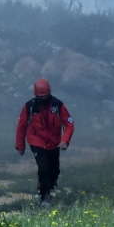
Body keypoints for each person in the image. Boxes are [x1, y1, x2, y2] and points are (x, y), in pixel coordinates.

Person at [15, 78, 74, 208]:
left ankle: (48, 185)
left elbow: (69, 123)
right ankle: (44, 196)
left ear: (49, 94)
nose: (42, 100)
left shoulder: (58, 105)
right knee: (43, 168)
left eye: (45, 97)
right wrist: (20, 145)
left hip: (54, 143)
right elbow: (22, 126)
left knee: (54, 170)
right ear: (35, 95)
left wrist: (65, 140)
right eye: (39, 97)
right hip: (36, 141)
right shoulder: (29, 107)